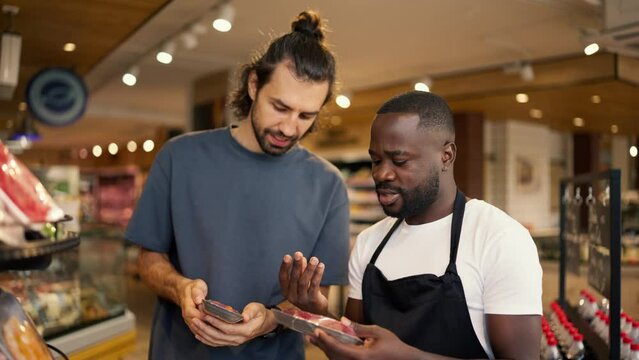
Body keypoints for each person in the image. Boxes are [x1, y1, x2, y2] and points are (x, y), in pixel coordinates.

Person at [125, 11, 350, 360]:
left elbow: (316, 293)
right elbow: (148, 258)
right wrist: (180, 287)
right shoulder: (180, 156)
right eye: (280, 107)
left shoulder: (329, 184)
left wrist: (271, 318)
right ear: (253, 85)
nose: (290, 128)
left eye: (306, 116)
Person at [279, 91, 543, 359]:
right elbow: (354, 350)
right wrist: (318, 313)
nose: (381, 173)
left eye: (400, 160)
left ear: (446, 156)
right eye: (376, 160)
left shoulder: (500, 239)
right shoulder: (370, 243)